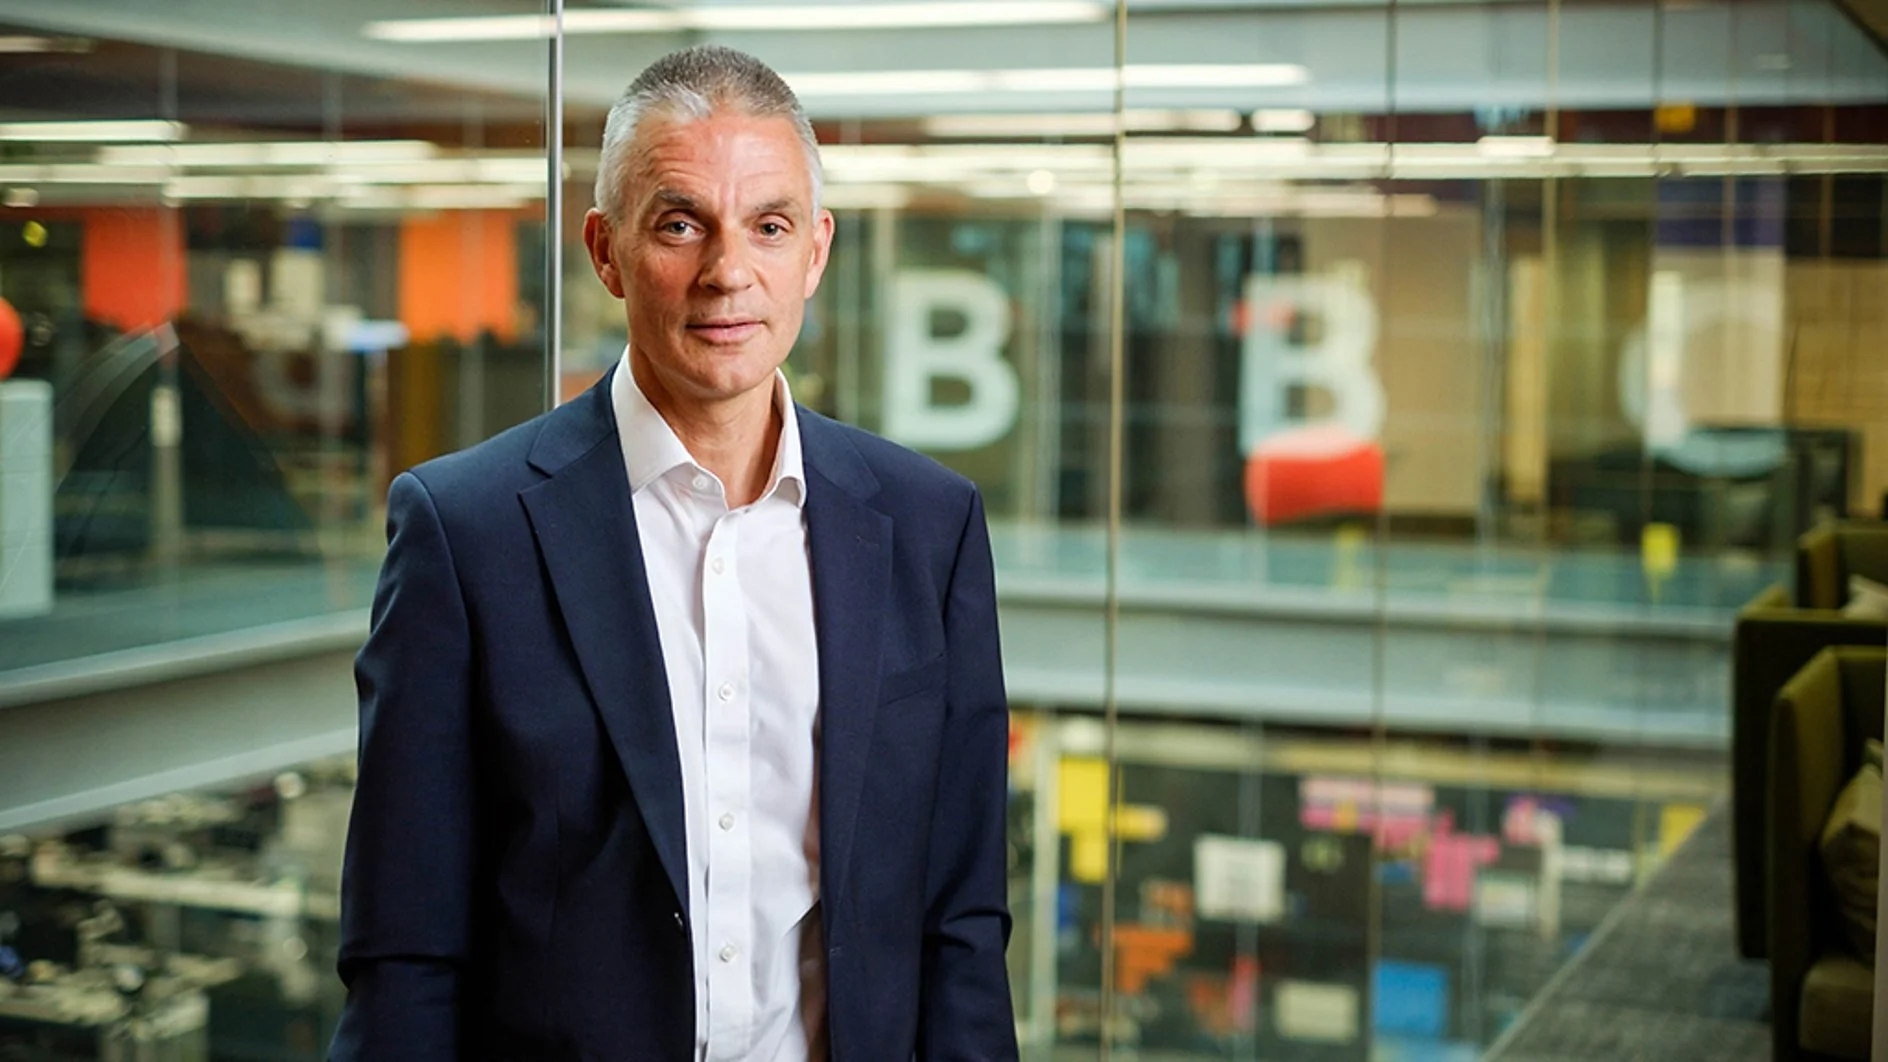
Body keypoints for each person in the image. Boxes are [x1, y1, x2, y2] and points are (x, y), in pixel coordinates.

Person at [328, 45, 1018, 1062]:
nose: (728, 272)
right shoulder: (464, 532)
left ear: (815, 252)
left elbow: (959, 923)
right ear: (605, 251)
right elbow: (406, 950)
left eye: (769, 227)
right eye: (680, 223)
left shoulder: (929, 527)